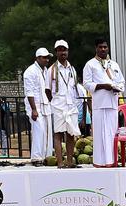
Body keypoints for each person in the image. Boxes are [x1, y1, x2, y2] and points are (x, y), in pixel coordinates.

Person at [83, 39, 126, 168]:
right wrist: (102, 86)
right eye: (100, 47)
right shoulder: (90, 64)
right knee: (100, 134)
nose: (103, 49)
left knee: (111, 133)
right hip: (99, 104)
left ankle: (111, 161)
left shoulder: (113, 64)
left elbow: (121, 82)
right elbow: (87, 84)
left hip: (112, 103)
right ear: (96, 48)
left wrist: (116, 87)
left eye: (105, 47)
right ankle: (100, 162)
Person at [47, 40, 81, 168]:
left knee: (71, 134)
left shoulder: (72, 69)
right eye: (60, 50)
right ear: (56, 52)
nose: (63, 52)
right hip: (58, 104)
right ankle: (60, 162)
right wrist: (54, 101)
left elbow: (74, 87)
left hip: (70, 104)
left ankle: (70, 161)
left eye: (64, 50)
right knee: (58, 134)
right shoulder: (51, 70)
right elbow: (47, 90)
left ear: (68, 51)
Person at [23, 48, 52, 166]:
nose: (47, 60)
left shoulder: (45, 70)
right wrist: (34, 109)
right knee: (38, 131)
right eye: (44, 57)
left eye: (47, 57)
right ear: (38, 58)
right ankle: (36, 157)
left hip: (45, 104)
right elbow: (29, 92)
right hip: (35, 105)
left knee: (47, 130)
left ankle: (46, 156)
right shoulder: (30, 71)